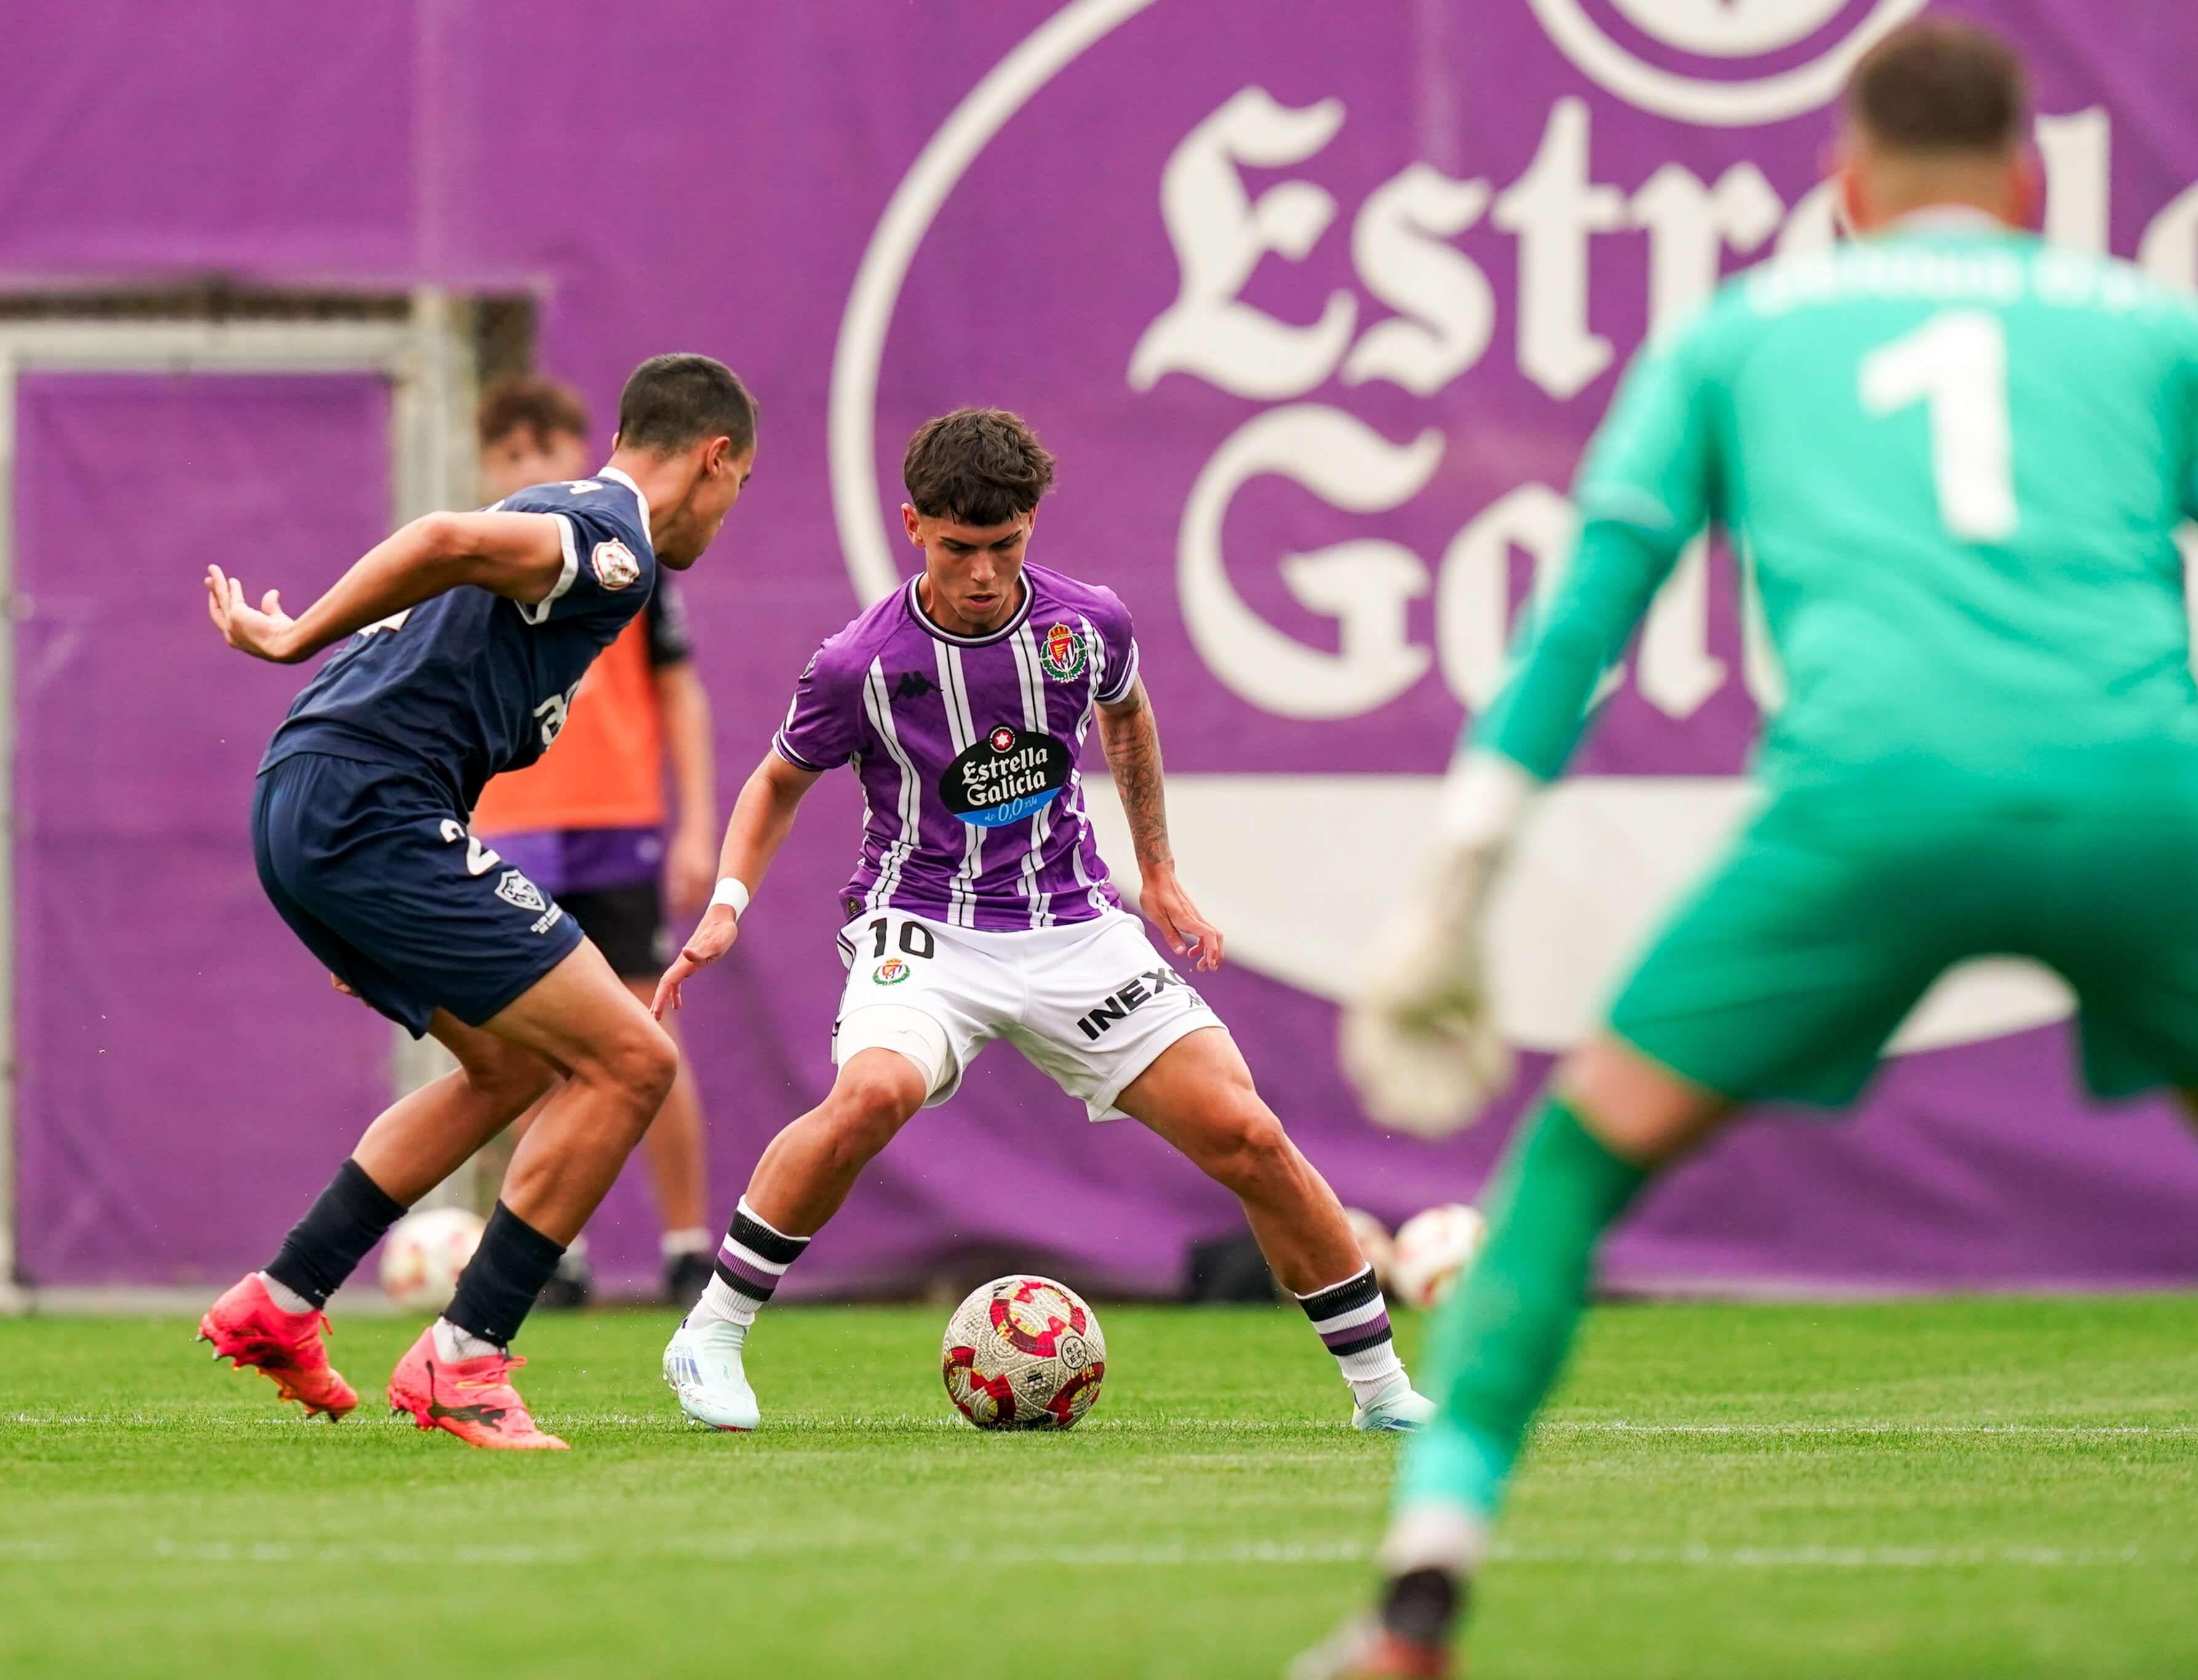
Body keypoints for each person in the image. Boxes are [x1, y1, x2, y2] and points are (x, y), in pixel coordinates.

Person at [1297, 20, 2198, 1676]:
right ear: (2030, 183)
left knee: (1578, 1164)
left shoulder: (1743, 331)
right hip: (2140, 804)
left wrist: (1456, 890)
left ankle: (1417, 1604)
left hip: (1866, 806)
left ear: (1844, 179)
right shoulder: (2169, 328)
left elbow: (1583, 619)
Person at [651, 408, 1432, 1435]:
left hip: (1073, 925)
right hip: (924, 926)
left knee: (1247, 1134)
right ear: (913, 526)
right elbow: (777, 782)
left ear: (1031, 528)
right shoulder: (861, 664)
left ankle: (1384, 1395)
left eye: (1005, 546)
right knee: (872, 1095)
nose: (982, 573)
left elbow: (1128, 713)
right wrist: (727, 907)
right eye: (958, 548)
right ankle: (708, 1332)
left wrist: (1156, 871)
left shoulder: (1084, 623)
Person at [193, 354, 758, 1451]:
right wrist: (294, 631)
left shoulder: (569, 515)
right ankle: (467, 1356)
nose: (729, 513)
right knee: (633, 1059)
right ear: (714, 457)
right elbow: (446, 540)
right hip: (366, 806)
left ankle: (286, 1297)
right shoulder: (616, 537)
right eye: (740, 486)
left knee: (514, 1066)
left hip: (319, 801)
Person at [470, 376, 721, 1306]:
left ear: (584, 452)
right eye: (512, 453)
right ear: (489, 464)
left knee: (646, 1031)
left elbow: (679, 692)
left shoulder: (628, 559)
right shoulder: (486, 557)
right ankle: (552, 1252)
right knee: (534, 1042)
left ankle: (688, 1245)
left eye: (548, 449)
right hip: (512, 826)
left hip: (618, 824)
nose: (532, 467)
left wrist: (694, 820)